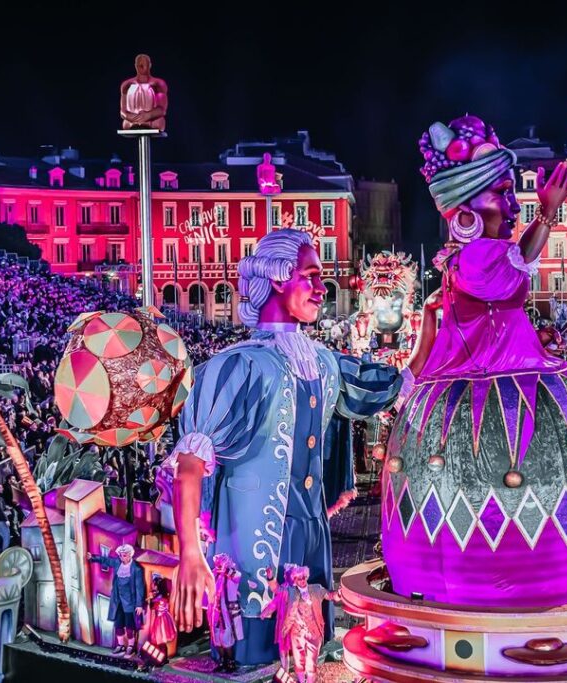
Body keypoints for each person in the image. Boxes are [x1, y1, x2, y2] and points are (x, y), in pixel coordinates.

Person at [165, 229, 404, 665]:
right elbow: (190, 463)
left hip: (311, 529)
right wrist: (190, 553)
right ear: (277, 278)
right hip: (254, 532)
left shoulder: (323, 362)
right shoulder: (238, 365)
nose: (321, 289)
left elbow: (384, 387)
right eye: (310, 276)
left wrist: (436, 329)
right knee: (256, 645)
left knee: (308, 641)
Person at [260, 564, 341, 683]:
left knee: (311, 662)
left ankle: (310, 681)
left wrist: (339, 594)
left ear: (307, 576)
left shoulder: (316, 588)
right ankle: (301, 680)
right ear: (295, 579)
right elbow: (276, 589)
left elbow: (330, 595)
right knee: (299, 661)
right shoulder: (290, 591)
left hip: (314, 632)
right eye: (299, 578)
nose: (302, 581)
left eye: (304, 577)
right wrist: (270, 577)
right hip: (297, 633)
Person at [89, 545, 145, 659]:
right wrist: (92, 557)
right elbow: (106, 560)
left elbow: (139, 587)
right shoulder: (117, 563)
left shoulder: (136, 569)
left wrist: (139, 604)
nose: (122, 557)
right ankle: (121, 645)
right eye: (120, 555)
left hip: (130, 603)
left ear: (130, 555)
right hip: (117, 601)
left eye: (124, 555)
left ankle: (130, 646)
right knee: (118, 625)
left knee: (129, 627)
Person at [208, 553, 244, 673]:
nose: (218, 564)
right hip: (215, 611)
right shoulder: (214, 575)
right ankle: (222, 662)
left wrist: (225, 570)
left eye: (221, 562)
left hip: (227, 613)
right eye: (217, 562)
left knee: (226, 639)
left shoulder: (233, 574)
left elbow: (236, 576)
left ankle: (230, 663)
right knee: (216, 638)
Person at [147, 575, 177, 660]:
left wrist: (150, 599)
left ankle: (162, 658)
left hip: (161, 619)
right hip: (165, 617)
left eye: (154, 584)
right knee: (162, 640)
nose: (153, 586)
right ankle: (164, 658)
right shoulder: (164, 595)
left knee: (160, 639)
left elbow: (152, 607)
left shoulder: (159, 597)